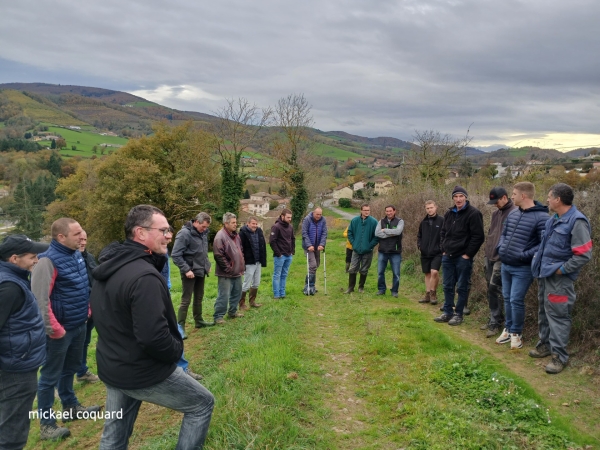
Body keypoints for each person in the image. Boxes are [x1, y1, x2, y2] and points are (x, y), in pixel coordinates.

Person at [91, 205, 214, 449]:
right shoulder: (143, 277)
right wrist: (175, 352)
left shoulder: (109, 267)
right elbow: (153, 337)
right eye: (164, 230)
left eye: (169, 230)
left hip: (113, 365)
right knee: (202, 404)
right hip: (141, 371)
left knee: (114, 435)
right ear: (140, 233)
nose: (170, 235)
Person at [32, 218, 101, 441]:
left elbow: (83, 286)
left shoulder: (76, 255)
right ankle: (47, 424)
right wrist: (54, 329)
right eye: (77, 233)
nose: (83, 236)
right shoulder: (46, 262)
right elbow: (40, 300)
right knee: (49, 377)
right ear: (61, 237)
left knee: (69, 369)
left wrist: (87, 310)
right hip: (59, 331)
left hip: (78, 324)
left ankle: (71, 407)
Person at [530, 183, 592, 374]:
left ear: (558, 200)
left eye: (549, 197)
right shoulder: (553, 219)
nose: (547, 200)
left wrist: (562, 270)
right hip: (545, 275)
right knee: (544, 312)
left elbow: (583, 254)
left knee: (558, 316)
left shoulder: (577, 221)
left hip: (560, 280)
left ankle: (559, 357)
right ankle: (546, 345)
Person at [0, 235, 48, 449]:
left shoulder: (13, 278)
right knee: (14, 431)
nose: (36, 261)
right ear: (14, 258)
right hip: (15, 369)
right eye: (32, 257)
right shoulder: (9, 287)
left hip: (16, 361)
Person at [495, 182, 549, 349]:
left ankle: (516, 335)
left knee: (516, 300)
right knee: (507, 298)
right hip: (506, 264)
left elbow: (542, 244)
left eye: (514, 194)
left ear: (523, 196)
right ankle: (509, 329)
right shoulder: (513, 214)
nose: (512, 196)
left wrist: (523, 255)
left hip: (523, 268)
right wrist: (501, 247)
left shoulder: (542, 218)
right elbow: (504, 234)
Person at [435, 186, 484, 326]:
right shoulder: (449, 213)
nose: (458, 199)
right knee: (447, 285)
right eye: (455, 197)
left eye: (461, 196)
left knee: (462, 286)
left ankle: (459, 314)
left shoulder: (474, 213)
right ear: (452, 198)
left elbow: (478, 237)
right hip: (448, 255)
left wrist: (468, 254)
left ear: (466, 197)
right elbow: (443, 232)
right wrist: (443, 249)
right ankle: (448, 312)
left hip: (463, 257)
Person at [480, 187, 516, 338]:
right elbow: (491, 233)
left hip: (502, 258)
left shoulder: (514, 213)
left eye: (497, 201)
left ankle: (502, 323)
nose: (495, 204)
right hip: (490, 256)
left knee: (498, 289)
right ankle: (495, 318)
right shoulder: (496, 213)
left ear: (505, 198)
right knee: (490, 288)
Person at [171, 212, 214, 339]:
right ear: (196, 222)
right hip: (189, 272)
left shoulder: (203, 233)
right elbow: (175, 255)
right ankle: (180, 328)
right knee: (186, 300)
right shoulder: (184, 234)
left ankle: (199, 321)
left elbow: (203, 252)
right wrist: (186, 270)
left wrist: (207, 265)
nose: (205, 229)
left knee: (199, 297)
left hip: (201, 270)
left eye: (206, 227)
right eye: (203, 227)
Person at [75, 230, 100, 383]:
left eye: (85, 239)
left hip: (92, 307)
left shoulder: (89, 257)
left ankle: (81, 371)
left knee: (84, 341)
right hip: (76, 309)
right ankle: (58, 383)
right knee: (68, 346)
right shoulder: (67, 260)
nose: (83, 242)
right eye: (80, 239)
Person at [213, 212, 246, 324]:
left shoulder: (236, 235)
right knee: (224, 295)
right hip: (226, 274)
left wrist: (241, 265)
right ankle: (218, 316)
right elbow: (218, 255)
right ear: (226, 223)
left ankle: (233, 312)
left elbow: (240, 251)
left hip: (237, 271)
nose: (235, 224)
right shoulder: (220, 236)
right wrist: (229, 269)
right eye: (233, 222)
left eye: (236, 222)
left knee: (237, 293)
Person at [344, 203, 379, 294]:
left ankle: (361, 287)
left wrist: (370, 245)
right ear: (361, 211)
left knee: (364, 269)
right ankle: (350, 288)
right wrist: (354, 243)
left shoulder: (374, 222)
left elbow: (377, 236)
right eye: (365, 210)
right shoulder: (355, 221)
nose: (367, 212)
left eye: (368, 210)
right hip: (356, 250)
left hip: (367, 251)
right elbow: (350, 233)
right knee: (353, 268)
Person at [417, 200, 444, 305]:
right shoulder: (423, 222)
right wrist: (419, 246)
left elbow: (445, 234)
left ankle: (433, 293)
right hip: (425, 252)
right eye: (427, 208)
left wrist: (441, 247)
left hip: (437, 252)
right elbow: (419, 235)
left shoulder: (442, 220)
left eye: (431, 207)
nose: (429, 210)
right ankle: (427, 294)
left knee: (434, 272)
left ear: (435, 207)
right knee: (427, 273)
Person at [374, 205, 404, 297]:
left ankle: (394, 291)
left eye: (390, 211)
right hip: (383, 251)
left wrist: (385, 230)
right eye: (387, 211)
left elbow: (398, 232)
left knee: (396, 273)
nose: (388, 213)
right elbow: (377, 233)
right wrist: (391, 233)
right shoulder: (381, 221)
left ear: (394, 211)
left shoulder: (400, 221)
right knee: (380, 272)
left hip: (395, 251)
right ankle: (381, 289)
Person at [238, 216, 267, 309]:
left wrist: (263, 259)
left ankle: (252, 301)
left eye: (256, 223)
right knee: (246, 282)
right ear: (248, 223)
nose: (255, 225)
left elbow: (263, 245)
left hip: (258, 261)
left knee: (256, 282)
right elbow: (240, 248)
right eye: (253, 223)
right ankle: (241, 303)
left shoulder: (259, 231)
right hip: (249, 262)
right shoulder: (242, 233)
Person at [301, 207, 328, 295]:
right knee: (313, 265)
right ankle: (311, 286)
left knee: (316, 265)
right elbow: (304, 233)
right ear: (313, 213)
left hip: (317, 246)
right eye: (317, 214)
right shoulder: (307, 219)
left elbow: (324, 233)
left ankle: (307, 285)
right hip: (308, 247)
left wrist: (322, 244)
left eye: (320, 214)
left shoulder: (323, 220)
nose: (319, 216)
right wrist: (309, 245)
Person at [270, 209, 295, 300]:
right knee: (277, 275)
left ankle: (282, 293)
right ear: (282, 216)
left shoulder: (290, 227)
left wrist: (292, 251)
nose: (289, 219)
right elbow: (272, 241)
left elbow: (292, 239)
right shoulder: (276, 227)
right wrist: (278, 254)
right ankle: (276, 295)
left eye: (290, 218)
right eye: (288, 217)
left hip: (289, 255)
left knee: (284, 275)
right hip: (280, 256)